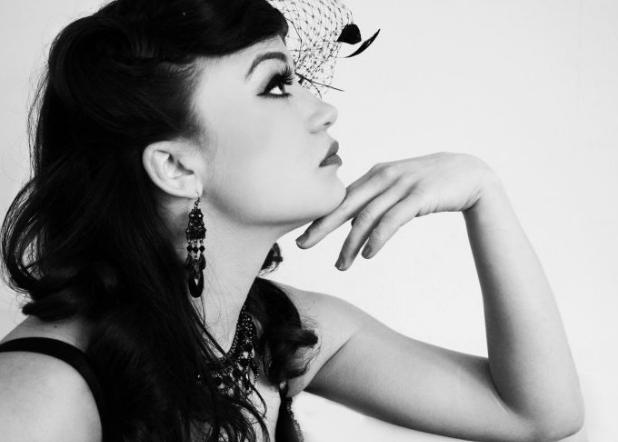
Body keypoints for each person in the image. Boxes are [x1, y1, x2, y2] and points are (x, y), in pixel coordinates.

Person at [0, 0, 584, 441]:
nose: (324, 109)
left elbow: (536, 414)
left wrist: (482, 189)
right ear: (176, 166)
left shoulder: (272, 332)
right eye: (276, 85)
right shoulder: (40, 393)